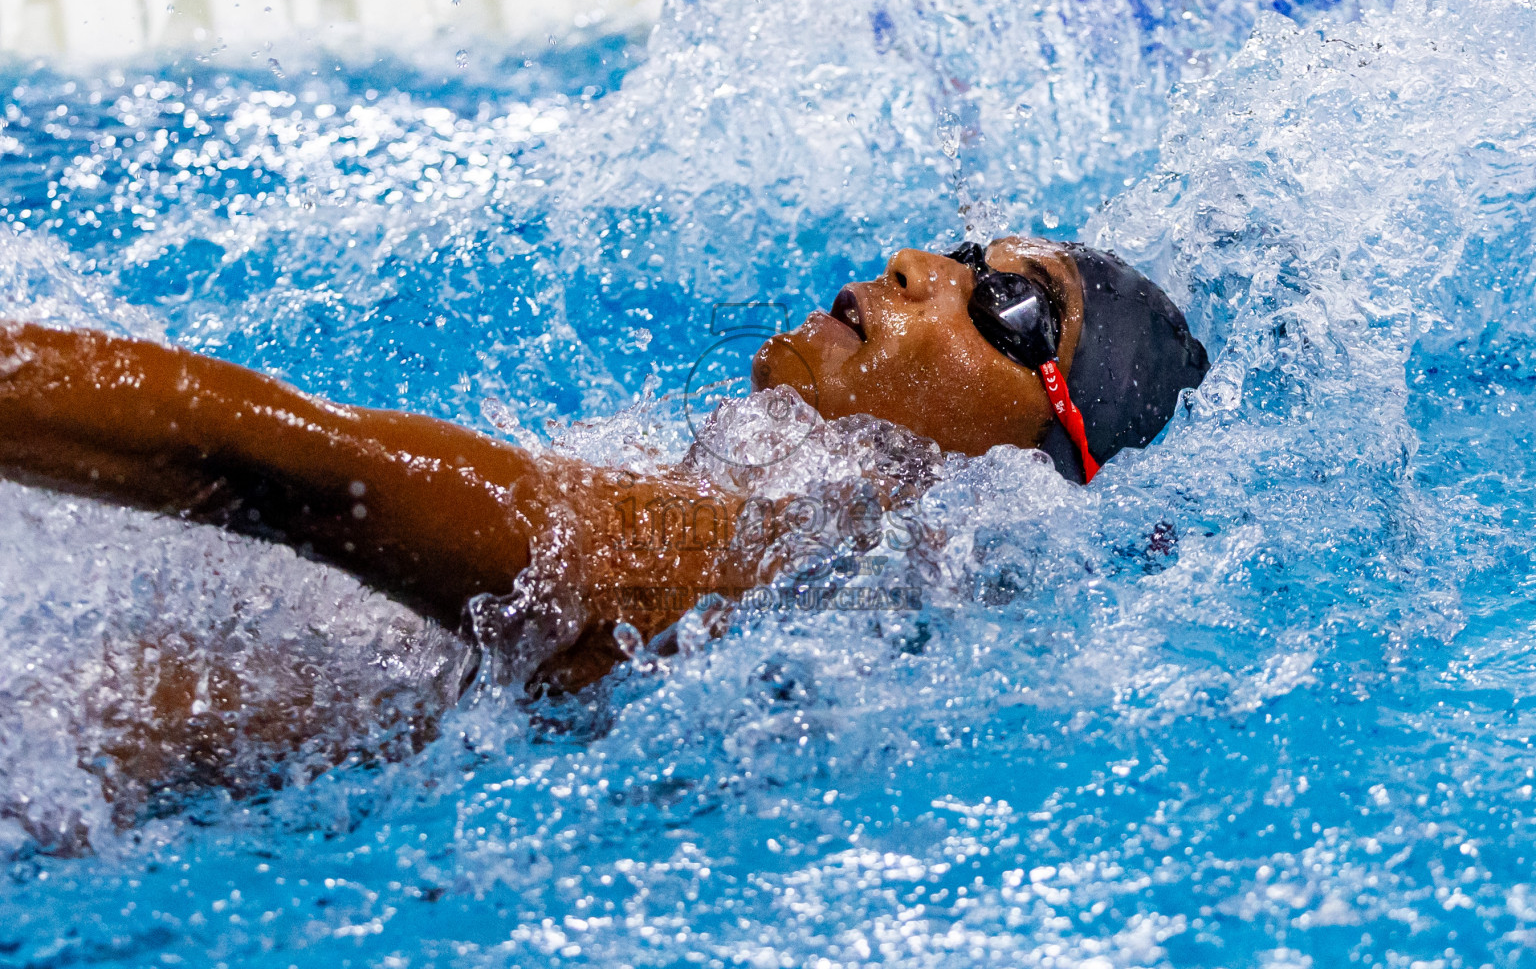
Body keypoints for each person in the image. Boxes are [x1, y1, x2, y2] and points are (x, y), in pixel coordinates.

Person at [0, 237, 1206, 805]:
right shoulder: (749, 532)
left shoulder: (718, 573)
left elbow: (287, 465)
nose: (912, 268)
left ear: (1037, 456)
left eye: (1005, 303)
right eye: (954, 251)